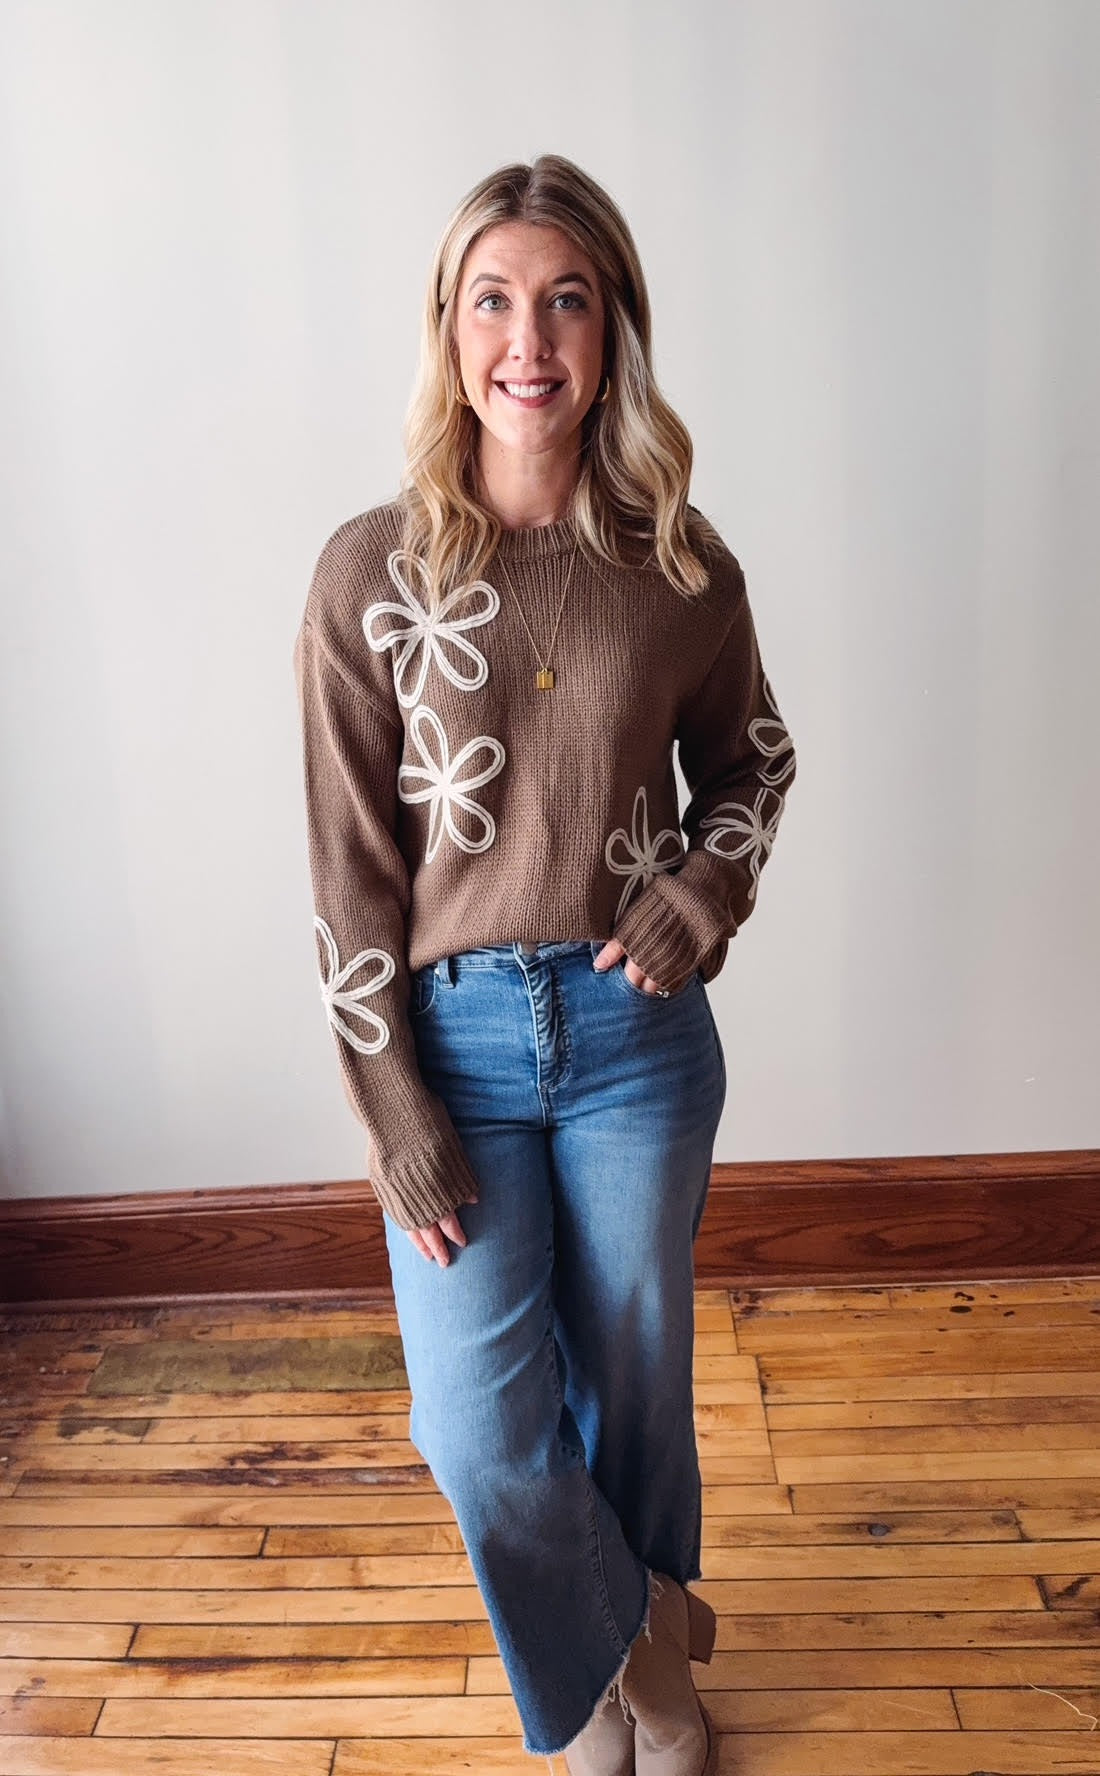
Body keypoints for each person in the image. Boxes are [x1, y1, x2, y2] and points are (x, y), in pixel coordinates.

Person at [293, 153, 796, 1776]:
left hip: (637, 1037)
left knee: (633, 1379)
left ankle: (631, 1679)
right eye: (494, 299)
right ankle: (629, 1635)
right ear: (449, 330)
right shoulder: (370, 579)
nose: (530, 339)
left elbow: (757, 763)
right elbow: (351, 876)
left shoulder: (681, 564)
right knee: (475, 1423)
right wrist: (391, 1106)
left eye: (567, 299)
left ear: (613, 331)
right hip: (449, 1050)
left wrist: (700, 894)